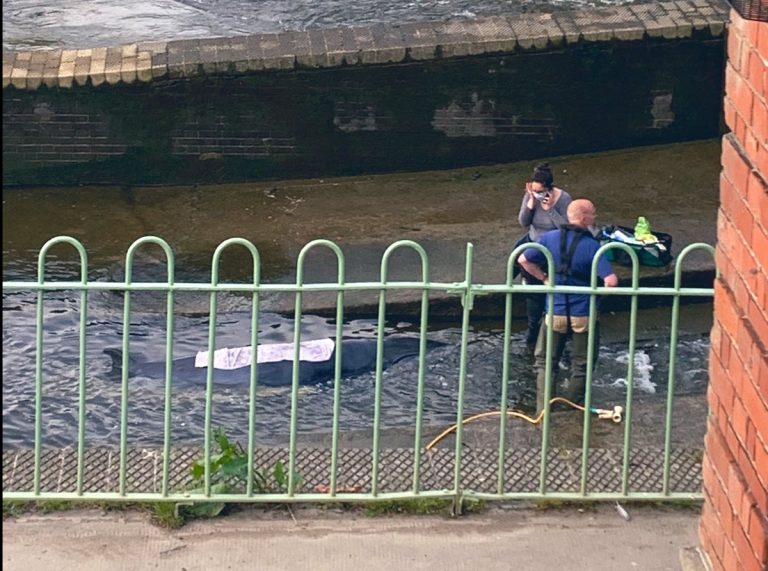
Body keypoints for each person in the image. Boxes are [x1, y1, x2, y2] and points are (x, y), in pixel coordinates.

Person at [517, 199, 618, 414]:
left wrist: (544, 278)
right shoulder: (592, 246)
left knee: (545, 362)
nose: (595, 217)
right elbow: (611, 281)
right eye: (592, 214)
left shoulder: (549, 239)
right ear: (583, 218)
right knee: (581, 365)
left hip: (555, 310)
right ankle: (569, 408)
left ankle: (543, 411)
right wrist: (597, 300)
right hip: (583, 313)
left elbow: (524, 259)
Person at [515, 162, 572, 352]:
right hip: (534, 243)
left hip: (554, 245)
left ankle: (557, 337)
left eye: (541, 192)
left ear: (549, 189)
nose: (538, 194)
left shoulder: (564, 199)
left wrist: (550, 210)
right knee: (533, 299)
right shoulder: (530, 195)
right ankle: (532, 339)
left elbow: (566, 227)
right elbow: (523, 222)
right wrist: (531, 204)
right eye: (534, 190)